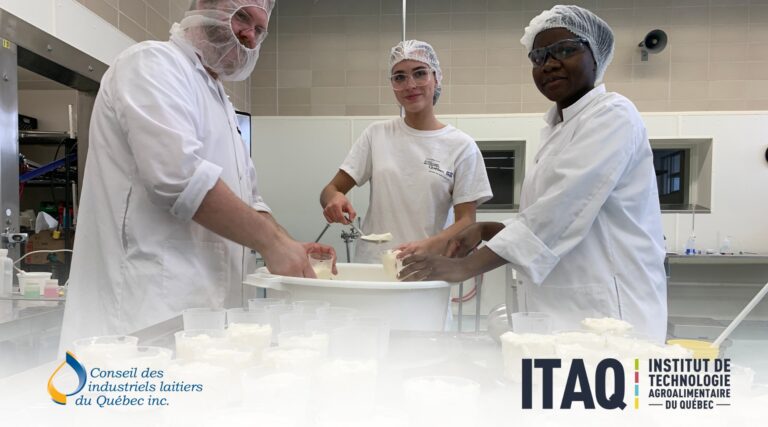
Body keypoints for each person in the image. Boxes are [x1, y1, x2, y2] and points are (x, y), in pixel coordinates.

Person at [59, 0, 335, 353]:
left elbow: (251, 201)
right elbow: (179, 179)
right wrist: (273, 245)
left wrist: (289, 245)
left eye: (260, 30)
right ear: (206, 6)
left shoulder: (221, 102)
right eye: (243, 18)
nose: (250, 36)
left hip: (205, 323)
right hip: (142, 318)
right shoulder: (152, 63)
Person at [400, 5, 668, 342]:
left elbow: (561, 211)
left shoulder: (613, 115)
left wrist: (463, 267)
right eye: (538, 57)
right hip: (566, 313)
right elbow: (549, 218)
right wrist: (486, 229)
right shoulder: (558, 129)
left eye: (565, 50)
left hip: (611, 317)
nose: (549, 64)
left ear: (596, 55)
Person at [319, 40, 493, 264]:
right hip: (375, 266)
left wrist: (429, 245)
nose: (410, 85)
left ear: (436, 77)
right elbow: (330, 190)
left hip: (429, 268)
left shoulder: (461, 146)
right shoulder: (376, 135)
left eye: (420, 73)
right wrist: (334, 198)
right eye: (399, 77)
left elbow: (467, 221)